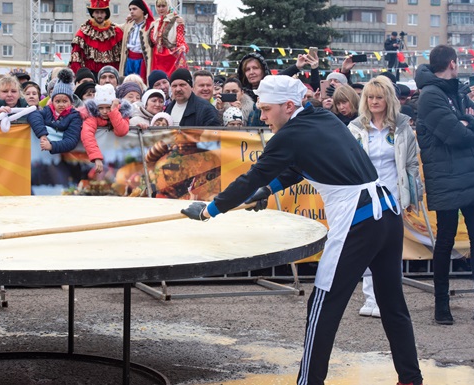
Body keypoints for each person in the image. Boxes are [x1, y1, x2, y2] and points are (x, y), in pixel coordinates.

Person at [180, 75, 424, 385]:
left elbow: (250, 177)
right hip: (386, 214)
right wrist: (268, 191)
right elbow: (299, 167)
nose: (262, 116)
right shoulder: (321, 116)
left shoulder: (290, 135)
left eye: (267, 110)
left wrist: (209, 210)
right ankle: (411, 379)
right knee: (392, 304)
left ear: (288, 106)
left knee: (322, 306)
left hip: (358, 220)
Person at [414, 45, 474, 325]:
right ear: (452, 63)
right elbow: (456, 135)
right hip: (447, 179)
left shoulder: (457, 91)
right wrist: (466, 124)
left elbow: (471, 122)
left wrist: (469, 121)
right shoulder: (430, 95)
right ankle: (442, 304)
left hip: (472, 177)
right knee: (445, 242)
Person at [347, 76, 422, 319]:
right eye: (370, 97)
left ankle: (387, 300)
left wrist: (412, 197)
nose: (374, 101)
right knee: (368, 249)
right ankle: (370, 298)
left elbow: (411, 164)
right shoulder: (355, 128)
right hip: (365, 197)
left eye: (379, 97)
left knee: (390, 251)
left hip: (393, 196)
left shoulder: (403, 128)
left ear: (388, 99)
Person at [27, 69, 82, 155]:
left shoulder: (75, 116)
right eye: (57, 101)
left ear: (71, 102)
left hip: (63, 159)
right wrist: (42, 135)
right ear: (52, 101)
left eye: (64, 101)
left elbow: (71, 140)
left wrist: (51, 146)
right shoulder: (47, 110)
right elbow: (33, 115)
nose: (61, 105)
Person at [81, 84, 132, 174]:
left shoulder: (121, 113)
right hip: (102, 157)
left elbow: (121, 131)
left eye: (108, 107)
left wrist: (113, 111)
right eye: (100, 108)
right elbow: (87, 135)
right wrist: (96, 157)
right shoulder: (92, 116)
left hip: (121, 157)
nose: (104, 111)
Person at [69, 0, 123, 76]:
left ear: (106, 14)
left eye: (102, 12)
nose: (99, 15)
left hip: (111, 75)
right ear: (93, 14)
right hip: (90, 76)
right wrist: (81, 77)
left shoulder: (115, 32)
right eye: (97, 12)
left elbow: (123, 55)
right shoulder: (84, 32)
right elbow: (76, 57)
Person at [149, 0, 188, 77]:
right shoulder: (156, 23)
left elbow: (180, 40)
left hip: (170, 58)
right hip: (157, 57)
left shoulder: (177, 20)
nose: (161, 9)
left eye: (163, 6)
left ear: (169, 6)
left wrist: (182, 48)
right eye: (158, 6)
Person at [119, 0, 154, 83]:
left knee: (141, 83)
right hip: (128, 61)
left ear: (142, 10)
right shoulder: (128, 24)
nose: (131, 12)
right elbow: (115, 27)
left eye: (134, 9)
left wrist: (177, 19)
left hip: (142, 62)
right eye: (130, 9)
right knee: (127, 83)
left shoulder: (151, 25)